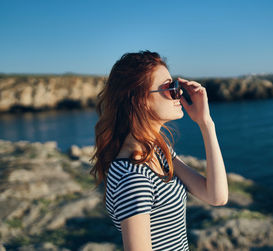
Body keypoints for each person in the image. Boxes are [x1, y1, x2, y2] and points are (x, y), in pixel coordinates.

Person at [90, 50, 228, 250]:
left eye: (177, 86)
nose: (179, 93)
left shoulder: (157, 151)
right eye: (170, 87)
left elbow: (216, 196)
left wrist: (206, 123)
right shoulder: (132, 177)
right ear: (140, 100)